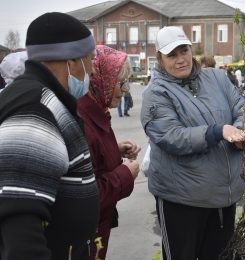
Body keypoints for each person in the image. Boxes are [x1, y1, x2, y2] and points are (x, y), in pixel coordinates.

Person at [140, 26, 245, 260]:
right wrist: (217, 131)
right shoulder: (157, 92)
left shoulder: (217, 78)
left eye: (184, 51)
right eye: (172, 55)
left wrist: (242, 132)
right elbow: (171, 136)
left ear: (192, 50)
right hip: (181, 200)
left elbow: (242, 108)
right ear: (159, 58)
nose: (181, 60)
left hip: (223, 198)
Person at [0, 12, 99, 260]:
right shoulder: (35, 109)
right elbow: (19, 227)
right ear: (71, 60)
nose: (93, 69)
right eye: (90, 59)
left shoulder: (41, 95)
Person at [77, 45, 140, 260]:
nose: (126, 90)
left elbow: (95, 155)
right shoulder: (83, 119)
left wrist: (115, 149)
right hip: (87, 233)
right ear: (101, 79)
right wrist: (125, 174)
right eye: (121, 83)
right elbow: (87, 194)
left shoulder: (96, 108)